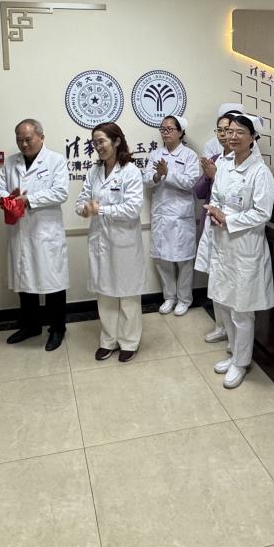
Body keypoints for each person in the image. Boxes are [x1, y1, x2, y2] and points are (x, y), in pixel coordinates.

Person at [202, 114, 274, 389]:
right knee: (224, 301)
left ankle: (242, 362)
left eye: (240, 132)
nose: (232, 136)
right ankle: (233, 352)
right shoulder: (224, 164)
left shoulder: (260, 172)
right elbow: (217, 196)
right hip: (224, 244)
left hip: (245, 248)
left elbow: (262, 213)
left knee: (242, 310)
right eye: (230, 131)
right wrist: (214, 212)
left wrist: (228, 218)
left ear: (253, 137)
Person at [0, 119, 71, 351]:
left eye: (28, 139)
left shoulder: (56, 160)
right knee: (24, 281)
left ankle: (57, 328)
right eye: (19, 140)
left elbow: (61, 192)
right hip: (20, 232)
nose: (23, 144)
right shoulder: (11, 162)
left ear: (41, 137)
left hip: (46, 233)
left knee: (53, 282)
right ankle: (31, 326)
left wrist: (28, 199)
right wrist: (6, 199)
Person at [77, 122, 145, 362]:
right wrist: (84, 209)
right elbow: (82, 199)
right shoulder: (94, 171)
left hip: (124, 242)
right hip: (100, 240)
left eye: (102, 141)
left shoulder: (130, 171)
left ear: (116, 141)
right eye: (95, 142)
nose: (98, 146)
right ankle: (108, 340)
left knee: (127, 294)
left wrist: (101, 209)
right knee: (104, 292)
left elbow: (133, 208)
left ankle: (129, 341)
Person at [144, 115, 201, 317]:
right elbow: (146, 179)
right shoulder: (155, 154)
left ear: (180, 132)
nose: (165, 132)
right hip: (161, 214)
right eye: (163, 129)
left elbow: (190, 183)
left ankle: (184, 299)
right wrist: (157, 175)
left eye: (170, 129)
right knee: (162, 259)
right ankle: (169, 297)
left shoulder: (189, 155)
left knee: (184, 260)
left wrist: (167, 173)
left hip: (180, 216)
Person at [194, 111, 237, 344]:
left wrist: (216, 175)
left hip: (230, 228)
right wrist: (208, 175)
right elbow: (199, 192)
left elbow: (235, 194)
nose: (223, 135)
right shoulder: (215, 158)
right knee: (215, 280)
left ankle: (234, 335)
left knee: (229, 283)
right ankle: (221, 327)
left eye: (228, 130)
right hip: (211, 223)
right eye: (220, 130)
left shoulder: (244, 161)